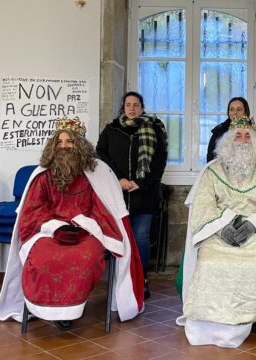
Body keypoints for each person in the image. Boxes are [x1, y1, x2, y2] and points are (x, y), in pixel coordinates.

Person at [0, 117, 144, 330]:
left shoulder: (98, 172)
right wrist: (55, 226)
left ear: (80, 145)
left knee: (86, 258)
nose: (64, 146)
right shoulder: (43, 174)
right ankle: (52, 310)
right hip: (48, 231)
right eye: (60, 142)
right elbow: (34, 209)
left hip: (88, 232)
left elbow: (103, 209)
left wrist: (83, 224)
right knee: (41, 257)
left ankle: (72, 309)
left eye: (70, 141)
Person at [177, 115, 256, 348]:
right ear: (228, 140)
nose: (243, 140)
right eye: (238, 135)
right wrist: (222, 226)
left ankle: (239, 323)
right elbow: (204, 205)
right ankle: (207, 324)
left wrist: (252, 224)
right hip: (219, 234)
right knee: (209, 265)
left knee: (255, 268)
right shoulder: (211, 172)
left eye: (248, 136)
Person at [97, 91, 167, 299]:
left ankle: (141, 278)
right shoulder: (112, 129)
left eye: (136, 105)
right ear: (123, 107)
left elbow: (160, 159)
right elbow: (101, 154)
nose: (132, 108)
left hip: (145, 193)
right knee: (119, 237)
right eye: (128, 104)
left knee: (141, 237)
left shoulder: (154, 128)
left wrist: (141, 182)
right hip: (117, 193)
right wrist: (118, 178)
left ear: (142, 108)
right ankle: (121, 277)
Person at [206, 97, 252, 162]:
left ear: (245, 112)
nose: (235, 112)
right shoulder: (218, 132)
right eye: (231, 109)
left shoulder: (255, 134)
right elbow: (210, 160)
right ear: (228, 112)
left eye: (239, 109)